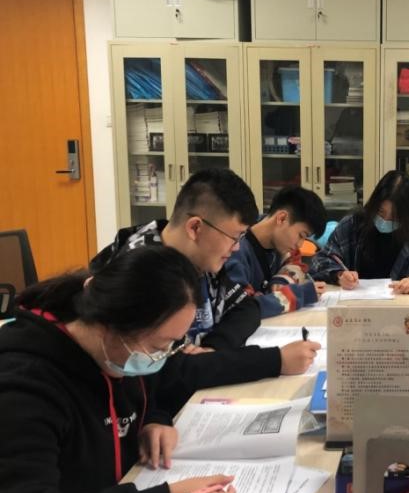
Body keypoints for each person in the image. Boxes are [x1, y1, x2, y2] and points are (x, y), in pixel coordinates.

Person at [0, 245, 236, 493]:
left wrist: (154, 419)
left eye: (171, 345)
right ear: (108, 325)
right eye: (158, 346)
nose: (159, 358)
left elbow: (150, 389)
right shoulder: (23, 389)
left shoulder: (116, 354)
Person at [91, 168, 320, 413]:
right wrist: (275, 361)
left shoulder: (203, 258)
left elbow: (247, 307)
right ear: (195, 228)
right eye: (234, 237)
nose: (236, 248)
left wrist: (213, 349)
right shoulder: (143, 272)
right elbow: (166, 373)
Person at [310, 170, 409, 294]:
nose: (385, 220)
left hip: (405, 308)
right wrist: (339, 275)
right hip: (357, 306)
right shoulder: (353, 225)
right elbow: (320, 261)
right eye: (381, 212)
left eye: (395, 216)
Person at [225, 186, 328, 317]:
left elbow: (296, 266)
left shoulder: (283, 245)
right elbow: (244, 306)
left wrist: (280, 284)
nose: (300, 244)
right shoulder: (235, 250)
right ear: (281, 218)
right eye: (301, 235)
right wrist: (299, 294)